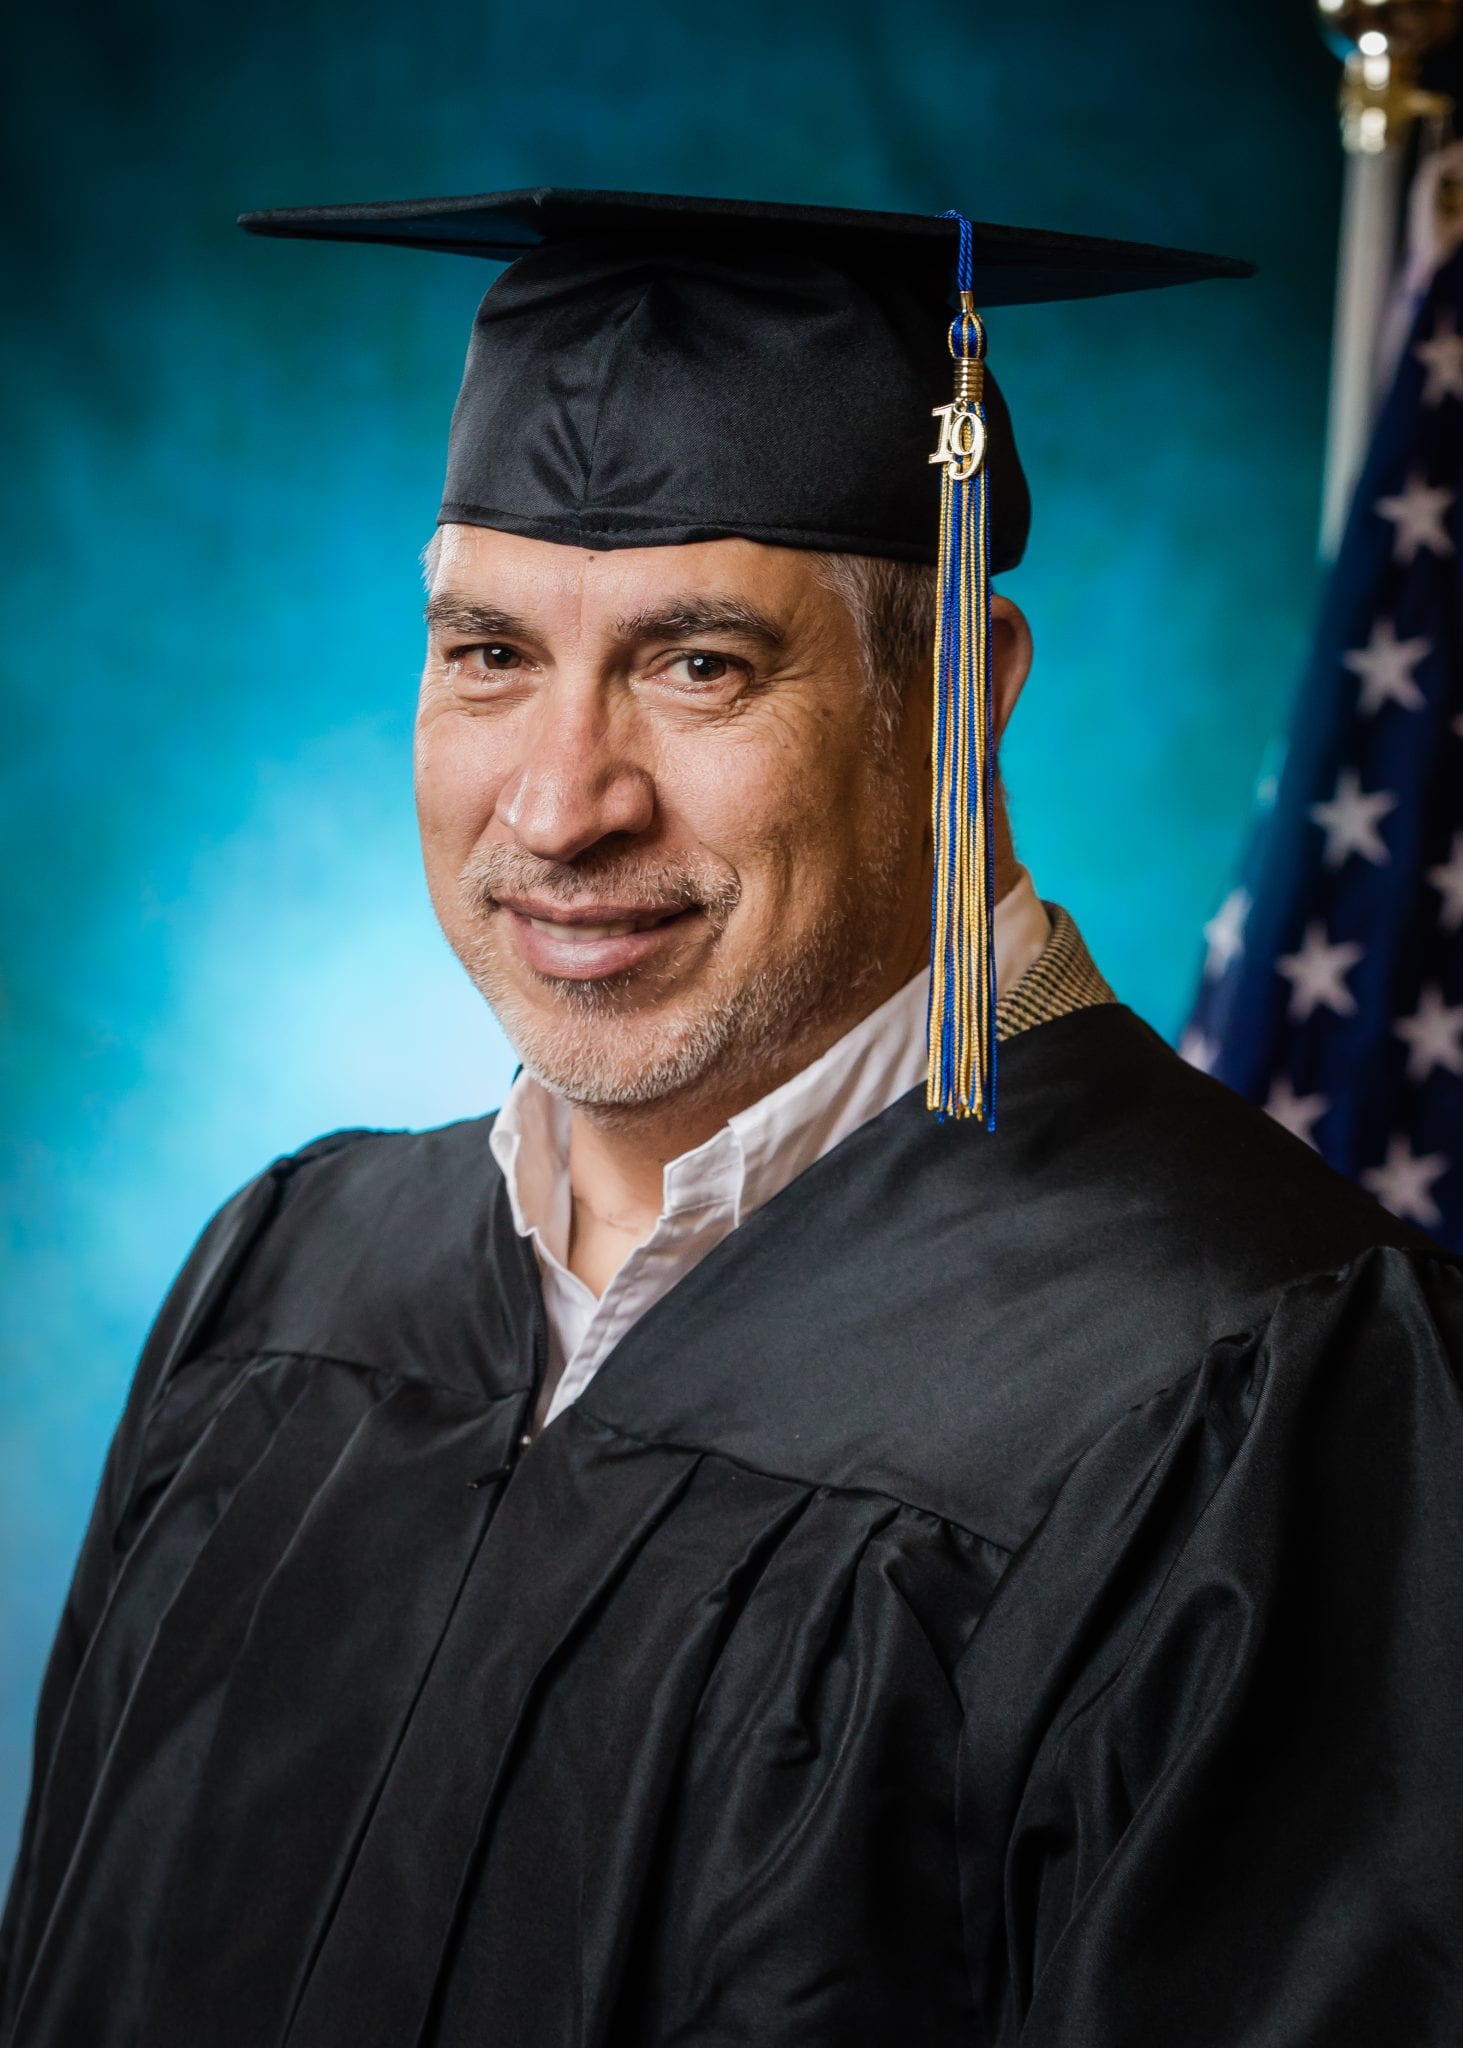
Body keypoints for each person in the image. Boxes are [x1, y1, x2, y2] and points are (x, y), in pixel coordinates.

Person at [2, 189, 1460, 2048]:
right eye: (489, 652)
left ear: (961, 691)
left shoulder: (1247, 1385)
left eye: (700, 665)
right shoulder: (290, 1273)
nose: (560, 806)